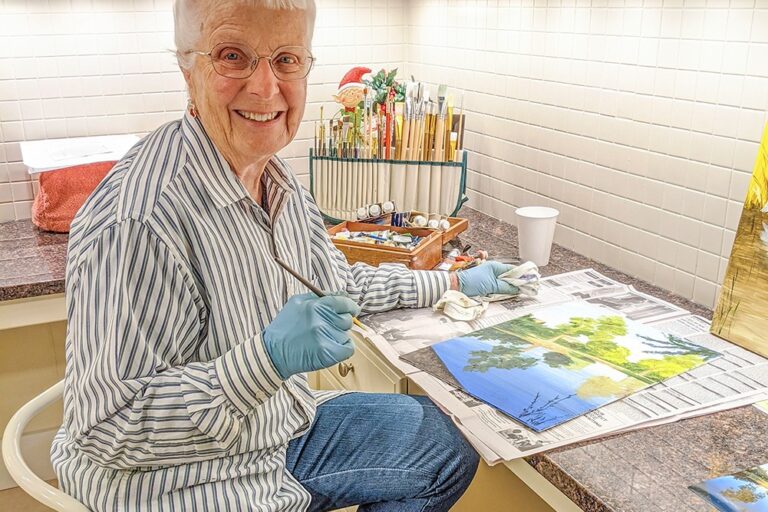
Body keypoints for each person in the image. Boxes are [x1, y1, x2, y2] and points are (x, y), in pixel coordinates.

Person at [51, 1, 518, 510]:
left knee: (446, 443)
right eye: (233, 56)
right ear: (187, 68)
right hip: (179, 483)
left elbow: (338, 286)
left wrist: (454, 282)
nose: (265, 87)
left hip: (270, 432)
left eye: (286, 59)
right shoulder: (139, 219)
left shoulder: (275, 179)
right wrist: (265, 361)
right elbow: (108, 428)